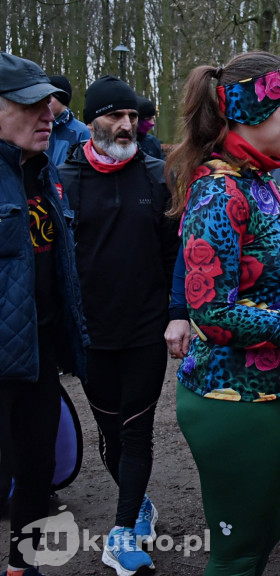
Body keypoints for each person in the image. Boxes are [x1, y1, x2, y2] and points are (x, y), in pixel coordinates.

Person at [165, 51, 280, 576]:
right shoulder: (219, 192)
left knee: (265, 536)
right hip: (235, 397)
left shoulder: (259, 179)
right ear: (250, 116)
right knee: (238, 554)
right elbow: (213, 314)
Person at [60, 75, 177, 576]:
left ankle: (123, 530)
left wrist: (178, 314)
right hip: (92, 336)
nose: (127, 125)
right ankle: (139, 504)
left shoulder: (158, 176)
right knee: (110, 432)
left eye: (132, 117)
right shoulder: (62, 179)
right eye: (115, 116)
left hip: (147, 330)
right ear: (92, 122)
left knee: (138, 432)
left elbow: (177, 255)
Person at [0, 53, 88, 576]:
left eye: (49, 104)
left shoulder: (45, 172)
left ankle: (21, 567)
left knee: (36, 475)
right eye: (30, 105)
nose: (47, 115)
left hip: (38, 357)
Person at [45, 74, 90, 166]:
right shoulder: (38, 129)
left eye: (49, 97)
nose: (45, 102)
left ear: (61, 98)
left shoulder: (82, 132)